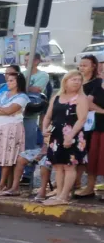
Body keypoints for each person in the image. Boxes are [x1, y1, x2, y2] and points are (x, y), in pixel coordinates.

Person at [40, 71, 89, 205]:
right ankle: (59, 194)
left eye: (79, 80)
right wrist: (44, 129)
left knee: (69, 166)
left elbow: (82, 119)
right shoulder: (57, 97)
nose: (77, 82)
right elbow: (48, 116)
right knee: (58, 166)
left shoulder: (81, 98)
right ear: (66, 81)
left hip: (73, 134)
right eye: (74, 79)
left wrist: (70, 136)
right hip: (56, 135)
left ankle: (64, 196)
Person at [75, 55, 104, 198]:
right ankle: (87, 186)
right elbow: (86, 102)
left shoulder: (97, 83)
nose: (81, 68)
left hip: (96, 124)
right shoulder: (96, 86)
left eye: (85, 65)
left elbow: (88, 103)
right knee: (91, 158)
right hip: (91, 125)